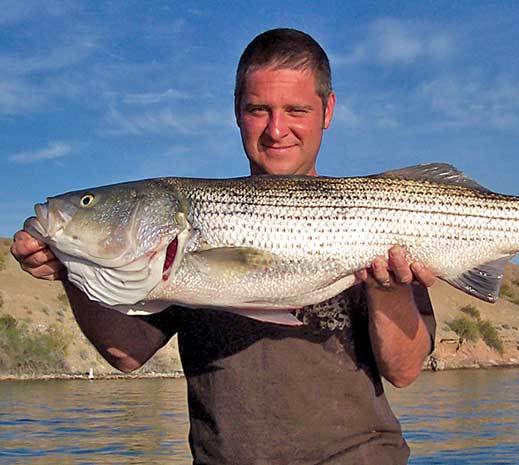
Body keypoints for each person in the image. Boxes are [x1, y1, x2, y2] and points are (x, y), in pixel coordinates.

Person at [11, 28, 437, 465]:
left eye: (296, 110)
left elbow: (403, 371)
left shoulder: (387, 217)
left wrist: (389, 289)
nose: (276, 129)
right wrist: (70, 270)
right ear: (236, 111)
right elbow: (126, 353)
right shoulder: (163, 252)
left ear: (326, 111)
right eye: (258, 109)